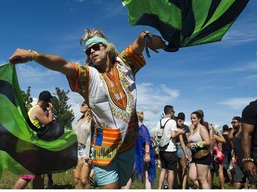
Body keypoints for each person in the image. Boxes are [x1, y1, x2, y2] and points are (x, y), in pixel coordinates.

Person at [9, 29, 167, 189]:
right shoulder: (87, 75)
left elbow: (139, 42)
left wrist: (147, 38)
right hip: (103, 148)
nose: (92, 51)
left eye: (96, 47)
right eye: (88, 50)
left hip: (128, 145)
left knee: (121, 186)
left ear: (107, 47)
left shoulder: (124, 63)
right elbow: (62, 64)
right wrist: (33, 55)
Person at [13, 90, 55, 189]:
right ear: (47, 102)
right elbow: (49, 124)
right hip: (31, 146)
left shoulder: (34, 109)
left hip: (33, 146)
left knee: (39, 175)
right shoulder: (38, 110)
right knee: (27, 175)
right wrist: (50, 111)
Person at [229, 116, 257, 189]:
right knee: (237, 181)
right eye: (232, 122)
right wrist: (233, 157)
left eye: (234, 122)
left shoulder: (245, 134)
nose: (232, 124)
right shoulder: (234, 134)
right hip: (238, 162)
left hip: (249, 161)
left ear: (240, 123)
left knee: (256, 182)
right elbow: (233, 144)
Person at [155, 105, 185, 189]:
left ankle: (159, 188)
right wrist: (179, 132)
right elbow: (173, 135)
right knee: (171, 171)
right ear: (170, 112)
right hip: (170, 149)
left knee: (163, 169)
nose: (173, 113)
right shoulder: (172, 122)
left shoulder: (159, 122)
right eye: (173, 112)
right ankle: (170, 188)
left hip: (162, 149)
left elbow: (155, 134)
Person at [187, 111, 211, 189]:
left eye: (194, 118)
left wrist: (196, 144)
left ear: (199, 119)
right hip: (195, 155)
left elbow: (207, 142)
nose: (192, 120)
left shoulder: (202, 128)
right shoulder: (193, 128)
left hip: (202, 154)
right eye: (191, 118)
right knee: (192, 177)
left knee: (202, 179)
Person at [73, 101, 93, 189]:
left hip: (87, 150)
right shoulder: (78, 120)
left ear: (89, 108)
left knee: (84, 179)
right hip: (77, 150)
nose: (81, 105)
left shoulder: (92, 121)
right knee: (77, 179)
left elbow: (91, 137)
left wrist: (88, 154)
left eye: (84, 104)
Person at [175, 112, 190, 189]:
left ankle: (181, 185)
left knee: (178, 169)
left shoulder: (175, 127)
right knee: (184, 169)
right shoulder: (185, 127)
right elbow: (188, 139)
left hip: (175, 149)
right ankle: (184, 187)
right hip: (183, 147)